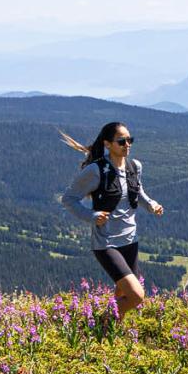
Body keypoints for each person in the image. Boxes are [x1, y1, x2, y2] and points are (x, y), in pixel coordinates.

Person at [58, 122, 165, 318]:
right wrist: (92, 216)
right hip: (106, 243)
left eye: (129, 140)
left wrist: (152, 205)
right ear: (108, 144)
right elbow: (69, 199)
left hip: (130, 240)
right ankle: (95, 322)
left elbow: (137, 192)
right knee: (136, 296)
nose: (127, 145)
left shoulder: (135, 166)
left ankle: (109, 333)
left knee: (123, 293)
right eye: (122, 141)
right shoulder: (96, 171)